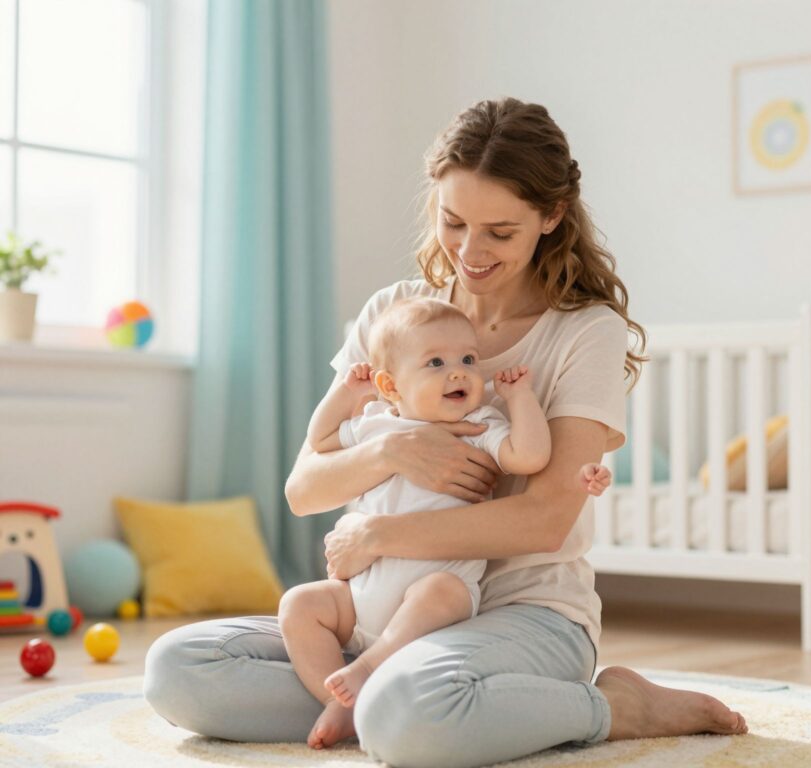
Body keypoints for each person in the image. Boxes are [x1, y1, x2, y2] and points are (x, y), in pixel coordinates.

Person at [144, 97, 747, 767]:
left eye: (500, 231)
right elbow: (304, 487)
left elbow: (544, 520)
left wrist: (380, 534)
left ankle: (613, 707)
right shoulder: (393, 316)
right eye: (453, 221)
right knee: (178, 668)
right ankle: (385, 699)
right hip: (376, 612)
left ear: (551, 218)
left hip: (525, 613)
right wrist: (392, 448)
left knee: (412, 714)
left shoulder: (585, 332)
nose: (470, 251)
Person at [280, 296, 611, 748]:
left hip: (436, 595)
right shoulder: (376, 422)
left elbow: (530, 456)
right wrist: (346, 395)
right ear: (390, 386)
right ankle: (340, 701)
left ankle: (371, 671)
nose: (458, 372)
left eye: (468, 360)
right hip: (360, 601)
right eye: (435, 362)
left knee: (439, 594)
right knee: (298, 605)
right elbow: (319, 441)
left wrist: (520, 401)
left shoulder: (479, 423)